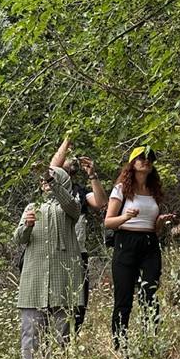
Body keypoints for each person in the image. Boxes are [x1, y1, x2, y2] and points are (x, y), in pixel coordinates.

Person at [15, 165, 83, 359]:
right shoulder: (32, 206)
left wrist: (52, 181)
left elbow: (72, 208)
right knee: (30, 337)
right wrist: (26, 226)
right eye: (43, 181)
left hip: (63, 283)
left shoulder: (70, 206)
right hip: (33, 284)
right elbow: (19, 239)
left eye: (52, 179)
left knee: (62, 337)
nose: (45, 183)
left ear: (62, 181)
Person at [104, 145, 175, 349]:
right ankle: (120, 346)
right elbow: (108, 222)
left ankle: (150, 343)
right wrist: (125, 217)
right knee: (124, 298)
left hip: (149, 244)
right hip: (125, 243)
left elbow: (154, 229)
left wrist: (160, 222)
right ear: (132, 164)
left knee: (150, 295)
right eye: (141, 158)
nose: (146, 161)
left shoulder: (153, 191)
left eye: (150, 158)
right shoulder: (121, 190)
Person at [49, 136, 108, 331]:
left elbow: (100, 202)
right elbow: (52, 167)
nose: (72, 159)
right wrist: (66, 140)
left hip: (78, 254)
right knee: (55, 302)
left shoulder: (80, 191)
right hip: (56, 253)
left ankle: (69, 344)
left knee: (78, 304)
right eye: (68, 157)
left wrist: (92, 175)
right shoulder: (51, 188)